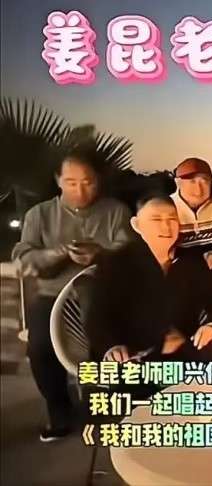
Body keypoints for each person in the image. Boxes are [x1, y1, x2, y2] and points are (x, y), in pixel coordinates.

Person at [11, 151, 132, 442]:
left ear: (98, 180)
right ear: (58, 180)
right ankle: (59, 411)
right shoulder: (39, 215)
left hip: (104, 296)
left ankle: (106, 405)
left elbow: (131, 253)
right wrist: (59, 253)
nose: (80, 190)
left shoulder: (116, 211)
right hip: (53, 296)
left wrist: (100, 254)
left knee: (110, 342)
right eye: (71, 182)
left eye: (88, 182)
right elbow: (23, 260)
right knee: (40, 347)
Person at [84, 195, 212, 364]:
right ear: (137, 225)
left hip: (184, 348)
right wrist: (111, 347)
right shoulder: (115, 263)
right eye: (156, 220)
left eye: (172, 219)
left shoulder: (190, 261)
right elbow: (96, 317)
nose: (166, 227)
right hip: (135, 354)